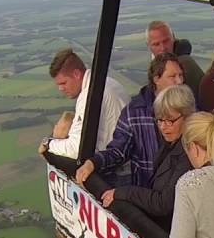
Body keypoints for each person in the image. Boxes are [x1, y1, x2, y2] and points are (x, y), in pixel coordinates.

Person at [75, 53, 183, 189]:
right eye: (173, 76)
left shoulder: (189, 108)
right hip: (147, 193)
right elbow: (118, 152)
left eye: (181, 75)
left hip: (182, 192)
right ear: (157, 79)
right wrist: (93, 163)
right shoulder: (134, 112)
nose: (179, 81)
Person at [97, 85, 195, 223]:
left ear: (187, 116)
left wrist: (123, 192)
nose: (163, 127)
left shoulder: (190, 154)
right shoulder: (169, 143)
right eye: (160, 120)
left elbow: (163, 204)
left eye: (170, 120)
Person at [39, 48, 127, 160]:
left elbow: (76, 149)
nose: (61, 89)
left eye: (63, 83)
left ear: (76, 74)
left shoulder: (89, 95)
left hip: (115, 169)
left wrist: (48, 143)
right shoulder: (107, 81)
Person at [147, 21, 204, 96]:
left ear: (173, 38)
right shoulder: (156, 65)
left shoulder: (186, 63)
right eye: (156, 44)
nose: (163, 48)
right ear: (149, 46)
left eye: (166, 41)